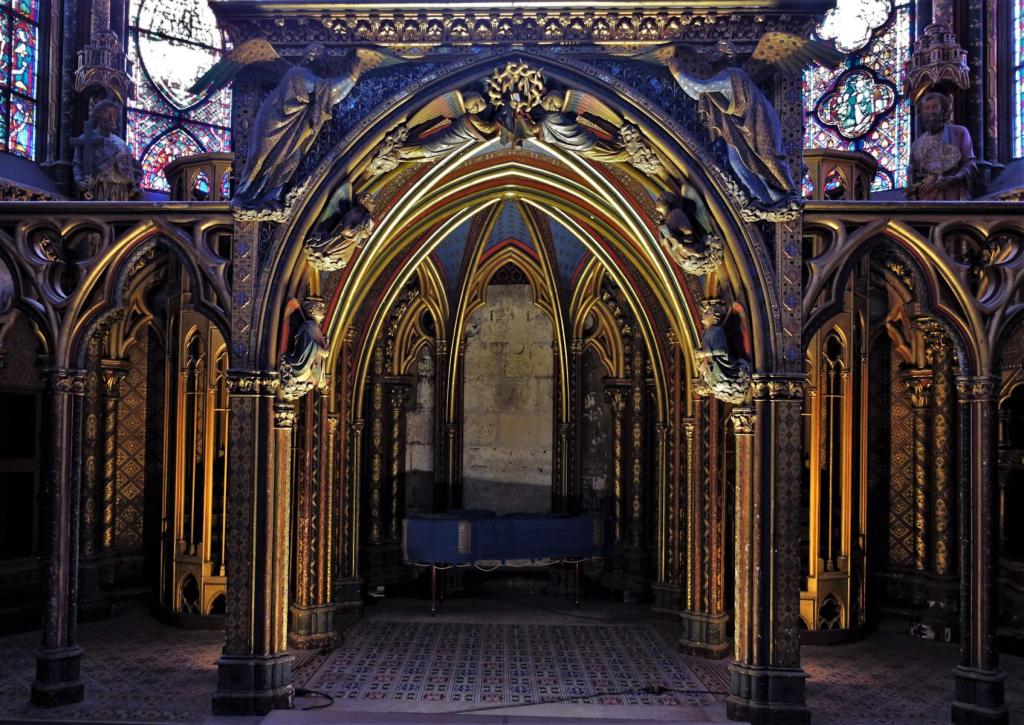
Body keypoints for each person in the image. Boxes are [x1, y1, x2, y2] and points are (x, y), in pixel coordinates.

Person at [234, 44, 360, 211]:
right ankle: (244, 195)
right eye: (323, 57)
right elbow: (330, 92)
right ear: (313, 56)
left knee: (291, 159)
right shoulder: (298, 74)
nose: (325, 62)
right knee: (260, 158)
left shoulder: (308, 76)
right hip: (273, 123)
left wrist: (351, 79)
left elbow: (331, 98)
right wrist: (350, 77)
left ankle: (272, 196)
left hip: (292, 127)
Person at [666, 56, 797, 208]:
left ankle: (787, 194)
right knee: (737, 163)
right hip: (737, 128)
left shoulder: (732, 75)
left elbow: (700, 87)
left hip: (758, 121)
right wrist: (680, 75)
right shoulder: (714, 83)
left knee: (768, 157)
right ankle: (764, 200)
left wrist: (678, 73)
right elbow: (697, 93)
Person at [906, 92, 976, 201]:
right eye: (927, 108)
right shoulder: (916, 146)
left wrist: (956, 178)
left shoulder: (960, 133)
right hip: (925, 198)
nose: (931, 112)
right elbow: (912, 177)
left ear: (943, 110)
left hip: (954, 193)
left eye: (935, 107)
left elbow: (970, 163)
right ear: (922, 113)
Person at [71, 100, 141, 201]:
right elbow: (77, 163)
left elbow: (129, 171)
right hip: (97, 188)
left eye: (114, 115)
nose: (111, 118)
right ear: (98, 115)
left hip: (120, 190)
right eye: (107, 113)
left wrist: (134, 186)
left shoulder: (121, 144)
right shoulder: (87, 138)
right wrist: (79, 181)